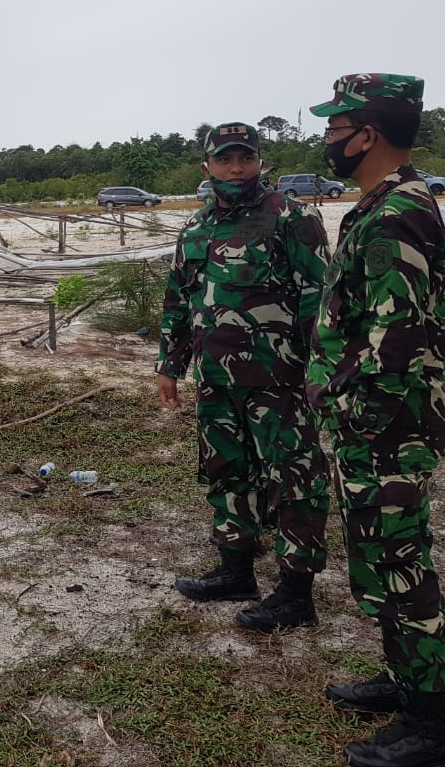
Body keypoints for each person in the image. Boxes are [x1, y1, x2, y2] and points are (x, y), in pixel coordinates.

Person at [306, 74, 445, 767]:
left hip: (386, 424)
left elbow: (395, 338)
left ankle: (431, 730)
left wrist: (349, 411)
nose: (329, 141)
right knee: (379, 557)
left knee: (400, 564)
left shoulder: (397, 210)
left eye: (336, 128)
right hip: (376, 423)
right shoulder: (382, 206)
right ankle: (404, 682)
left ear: (367, 133)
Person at [157, 122, 331, 632]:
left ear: (260, 161)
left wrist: (319, 371)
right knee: (226, 471)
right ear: (206, 167)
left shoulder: (292, 218)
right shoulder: (195, 229)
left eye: (245, 159)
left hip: (279, 380)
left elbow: (320, 300)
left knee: (294, 480)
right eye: (226, 160)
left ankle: (297, 591)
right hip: (216, 378)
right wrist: (170, 364)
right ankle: (236, 569)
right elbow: (179, 300)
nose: (236, 169)